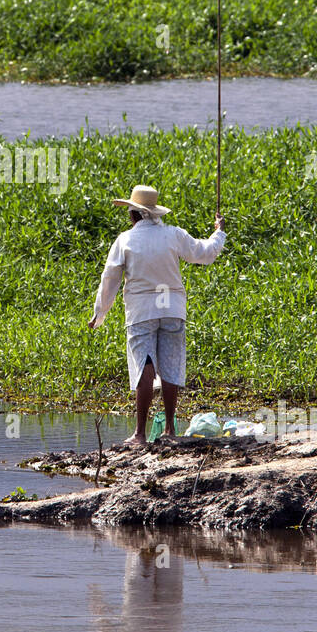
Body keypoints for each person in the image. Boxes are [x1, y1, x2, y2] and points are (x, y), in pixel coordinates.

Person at [88, 185, 226, 445]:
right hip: (172, 309)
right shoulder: (174, 235)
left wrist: (100, 313)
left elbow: (110, 280)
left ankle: (140, 433)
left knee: (144, 367)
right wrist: (219, 233)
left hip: (141, 312)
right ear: (155, 213)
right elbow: (205, 254)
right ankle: (170, 429)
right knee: (171, 365)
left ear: (133, 215)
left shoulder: (125, 240)